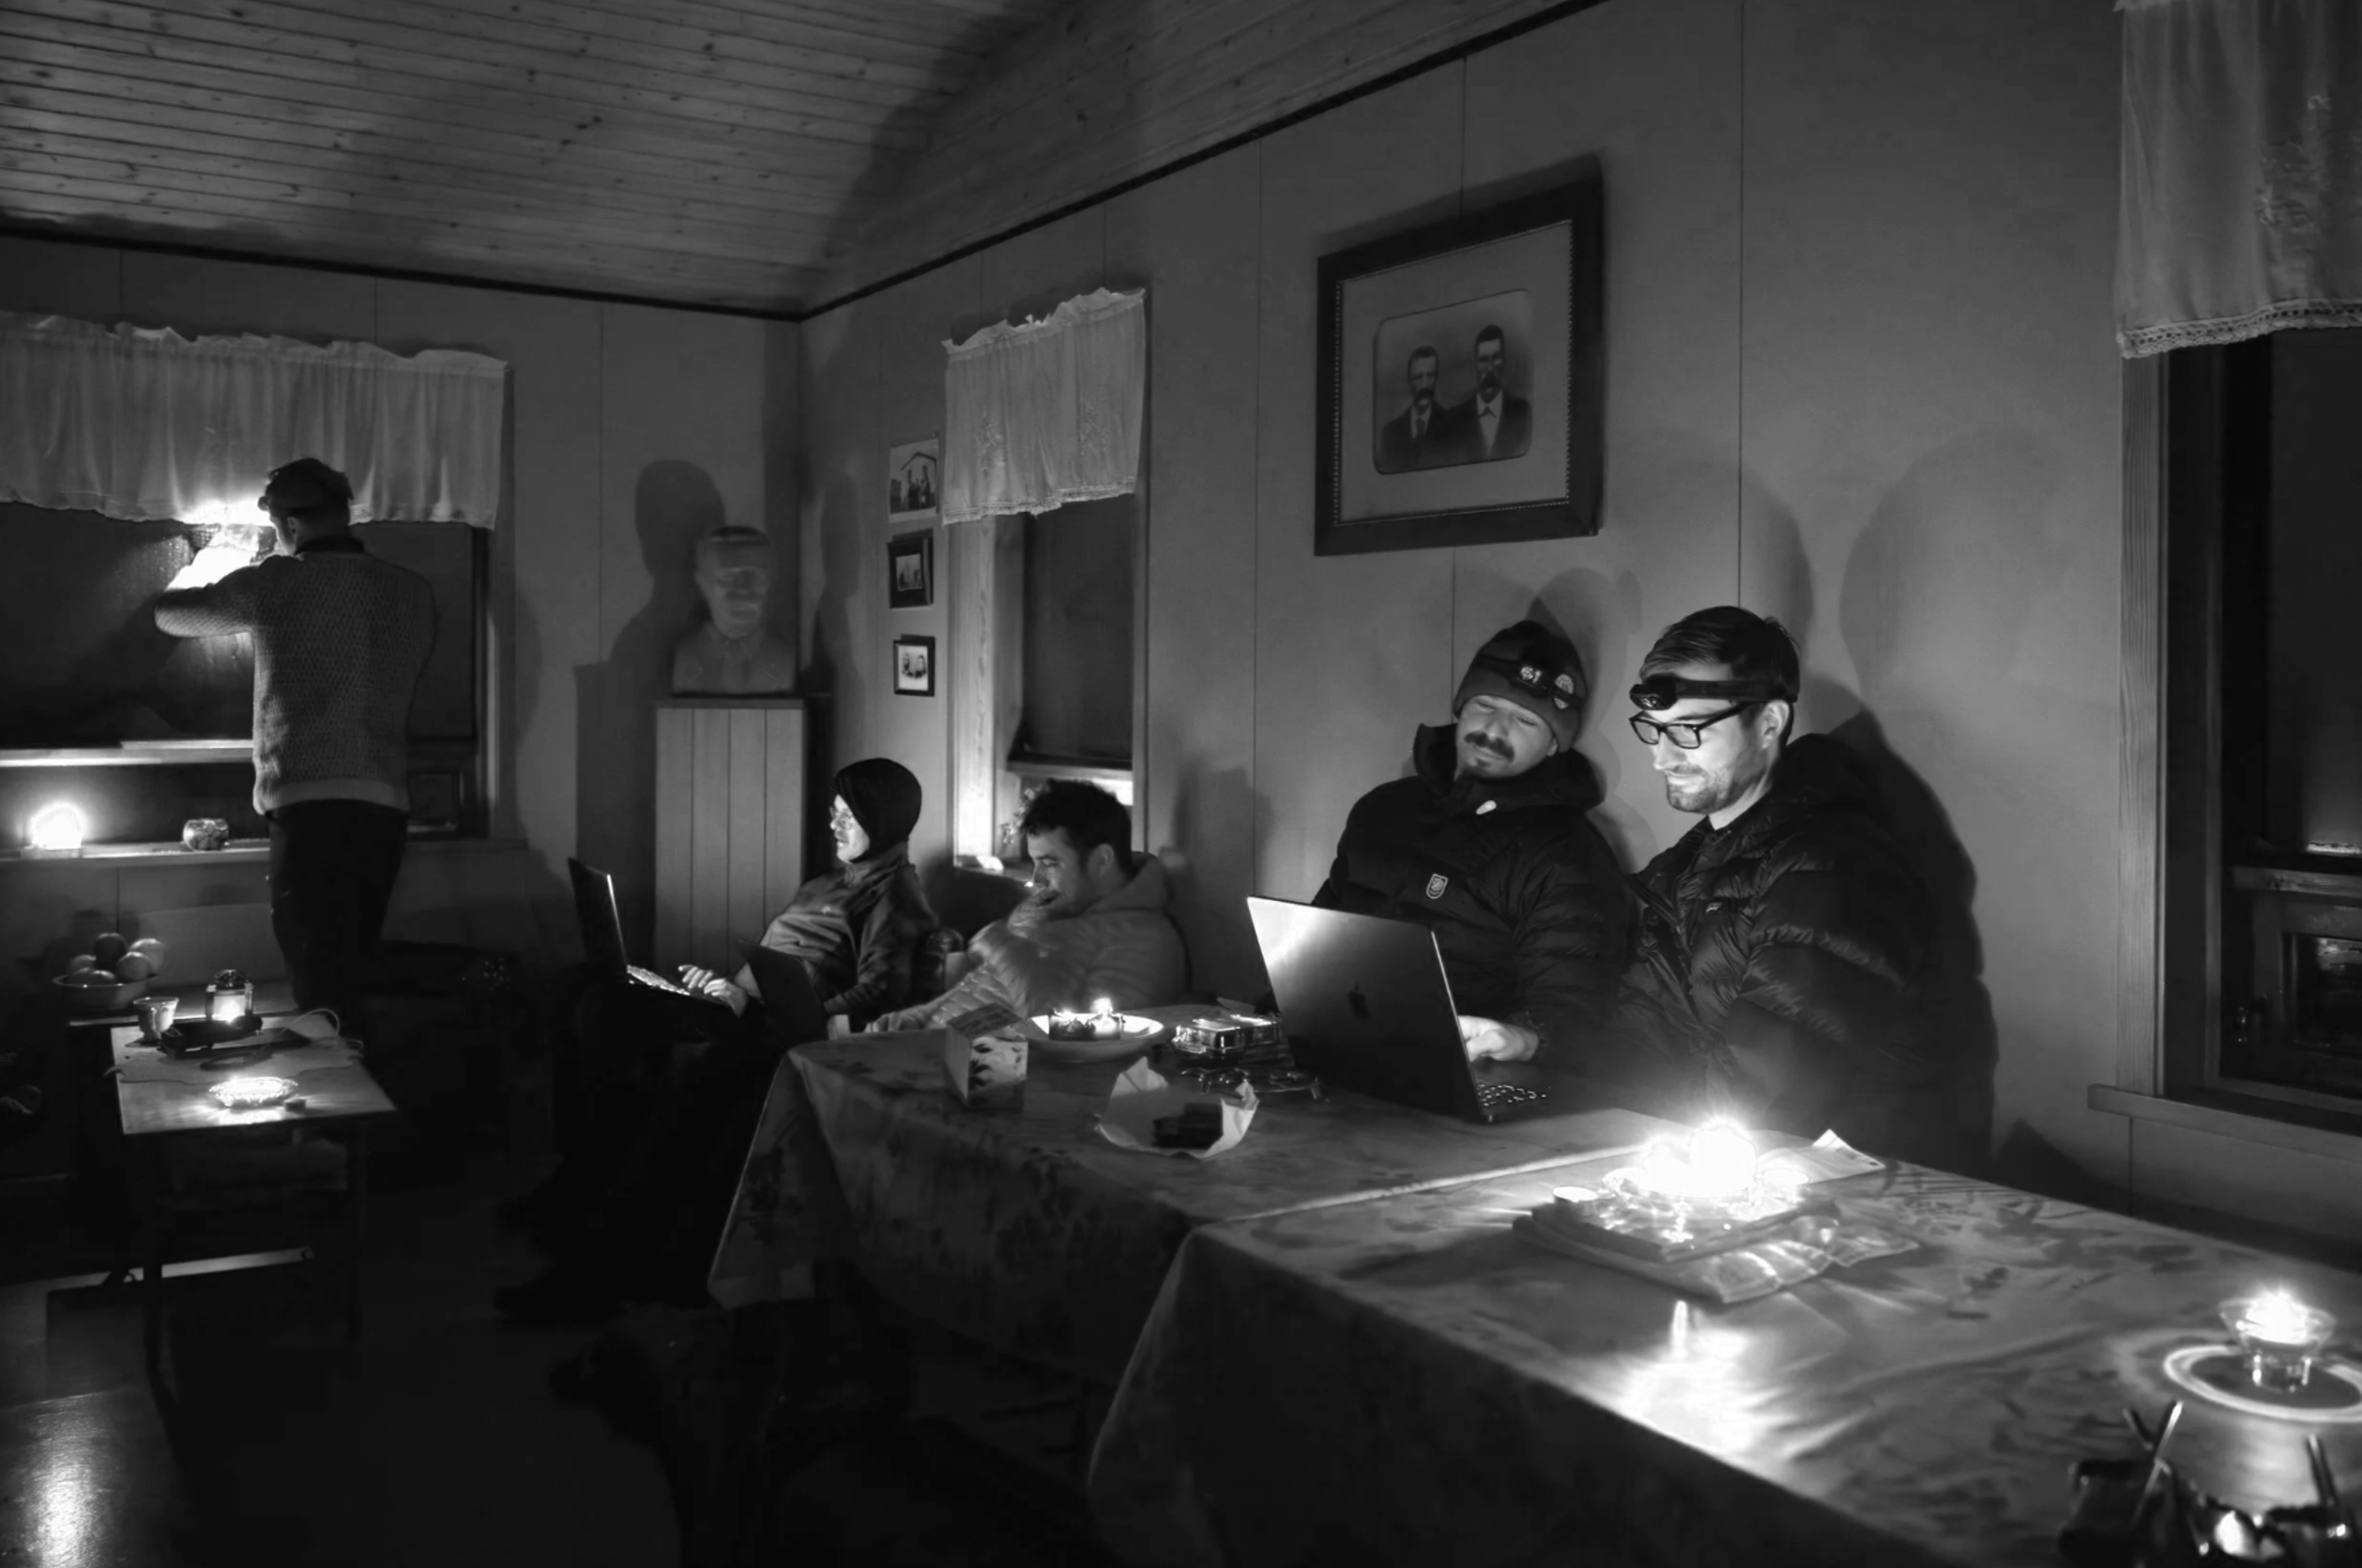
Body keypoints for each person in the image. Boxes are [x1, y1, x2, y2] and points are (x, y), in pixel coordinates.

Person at [496, 758, 936, 1321]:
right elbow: (776, 959)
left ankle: (597, 1257)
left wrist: (787, 1010)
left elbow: (878, 994)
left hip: (781, 1031)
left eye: (847, 815)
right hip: (743, 1007)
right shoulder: (828, 882)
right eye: (833, 812)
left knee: (632, 1034)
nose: (834, 824)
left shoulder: (895, 898)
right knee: (587, 991)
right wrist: (728, 987)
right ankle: (574, 1184)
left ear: (883, 818)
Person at [1613, 606, 1954, 1163]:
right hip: (1733, 1163)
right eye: (1653, 729)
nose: (1661, 757)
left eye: (1689, 730)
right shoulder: (1684, 871)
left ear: (1769, 722)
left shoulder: (1834, 866)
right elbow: (1637, 1034)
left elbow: (1776, 1095)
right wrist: (1538, 1049)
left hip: (1851, 1183)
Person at [153, 457, 436, 1025]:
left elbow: (172, 616)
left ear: (288, 524)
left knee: (316, 972)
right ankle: (468, 982)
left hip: (307, 802)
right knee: (352, 962)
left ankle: (466, 977)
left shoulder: (277, 583)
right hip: (386, 802)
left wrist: (220, 554)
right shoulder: (412, 591)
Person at [1313, 621, 1629, 1068]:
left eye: (1525, 720)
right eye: (1485, 705)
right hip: (1332, 1048)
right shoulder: (1382, 810)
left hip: (1463, 1074)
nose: (1495, 730)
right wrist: (1273, 1020)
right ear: (1461, 707)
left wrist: (1525, 1038)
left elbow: (1572, 1009)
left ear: (1553, 745)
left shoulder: (1565, 853)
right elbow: (1316, 942)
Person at [867, 780, 1184, 1031]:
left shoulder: (1146, 942)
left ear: (1102, 860)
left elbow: (1076, 1036)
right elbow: (977, 988)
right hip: (940, 1045)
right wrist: (913, 1020)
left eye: (1050, 863)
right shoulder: (1046, 907)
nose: (1036, 880)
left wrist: (1005, 948)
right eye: (1035, 863)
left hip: (991, 1072)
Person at [670, 524, 796, 695]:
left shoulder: (786, 659)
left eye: (755, 576)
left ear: (769, 582)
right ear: (703, 584)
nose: (743, 589)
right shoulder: (684, 656)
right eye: (728, 577)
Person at [1435, 324, 1532, 464]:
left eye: (1496, 359)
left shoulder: (1523, 413)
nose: (1490, 368)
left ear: (1504, 362)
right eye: (1484, 360)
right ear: (1475, 364)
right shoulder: (1455, 419)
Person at [1377, 345, 1448, 472]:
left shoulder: (1451, 425)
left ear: (1436, 378)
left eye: (1430, 376)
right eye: (1419, 377)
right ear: (1409, 381)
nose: (1425, 384)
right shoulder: (1390, 434)